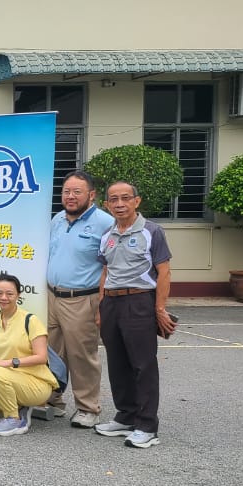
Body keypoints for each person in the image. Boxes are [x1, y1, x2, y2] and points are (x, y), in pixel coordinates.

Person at [94, 180, 175, 449]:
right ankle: (126, 416)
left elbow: (164, 272)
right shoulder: (107, 235)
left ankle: (147, 425)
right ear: (107, 204)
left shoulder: (152, 231)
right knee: (117, 363)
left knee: (143, 365)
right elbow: (106, 271)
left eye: (125, 198)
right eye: (113, 199)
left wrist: (159, 309)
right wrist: (100, 307)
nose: (119, 204)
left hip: (139, 300)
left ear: (136, 201)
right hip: (111, 303)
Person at [46, 170, 115, 429]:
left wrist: (103, 303)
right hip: (51, 295)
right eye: (66, 191)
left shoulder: (105, 223)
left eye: (77, 192)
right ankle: (52, 401)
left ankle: (87, 407)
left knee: (81, 355)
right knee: (50, 352)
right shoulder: (57, 219)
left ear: (92, 195)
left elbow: (111, 265)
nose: (70, 196)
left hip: (83, 299)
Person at [0, 274, 55, 438]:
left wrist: (8, 363)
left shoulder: (30, 320)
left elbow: (41, 357)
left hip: (36, 382)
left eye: (9, 294)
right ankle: (20, 406)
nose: (4, 297)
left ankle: (14, 418)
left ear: (18, 295)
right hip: (6, 379)